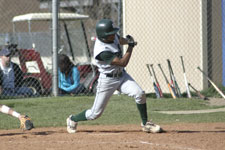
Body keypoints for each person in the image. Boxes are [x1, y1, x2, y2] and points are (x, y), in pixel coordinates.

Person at [66, 19, 162, 133]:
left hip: (121, 76)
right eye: (110, 34)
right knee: (94, 114)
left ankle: (145, 123)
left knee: (139, 93)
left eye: (113, 32)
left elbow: (119, 39)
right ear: (103, 36)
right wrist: (130, 47)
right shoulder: (102, 51)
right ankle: (72, 119)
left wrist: (127, 41)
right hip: (107, 81)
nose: (113, 35)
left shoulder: (110, 36)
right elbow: (122, 62)